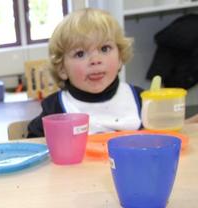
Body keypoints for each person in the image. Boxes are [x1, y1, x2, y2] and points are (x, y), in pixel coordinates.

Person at [27, 8, 144, 137]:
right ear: (62, 69)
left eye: (105, 49)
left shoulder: (141, 99)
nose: (95, 60)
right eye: (80, 54)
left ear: (120, 58)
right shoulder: (54, 110)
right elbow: (32, 145)